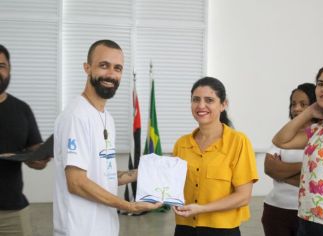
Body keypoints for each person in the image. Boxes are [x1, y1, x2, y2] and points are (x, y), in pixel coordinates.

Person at [53, 39, 161, 236]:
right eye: (104, 65)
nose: (111, 74)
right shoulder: (76, 116)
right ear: (87, 68)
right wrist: (130, 206)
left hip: (105, 228)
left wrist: (142, 172)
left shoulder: (106, 118)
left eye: (117, 68)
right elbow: (76, 182)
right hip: (79, 230)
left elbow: (103, 174)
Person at [273, 63, 323, 236]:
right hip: (306, 220)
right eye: (320, 84)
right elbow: (280, 141)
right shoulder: (318, 130)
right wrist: (308, 112)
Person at [172, 76, 259, 236]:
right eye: (196, 99)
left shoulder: (238, 142)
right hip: (184, 228)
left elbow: (243, 196)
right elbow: (170, 185)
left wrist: (202, 209)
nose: (201, 105)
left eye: (209, 100)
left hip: (222, 230)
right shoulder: (181, 144)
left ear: (223, 104)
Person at [0, 44, 50, 236]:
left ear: (9, 70)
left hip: (13, 213)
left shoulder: (22, 109)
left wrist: (40, 156)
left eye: (1, 66)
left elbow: (34, 154)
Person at [262, 83, 316, 236]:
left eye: (303, 104)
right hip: (275, 210)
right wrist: (306, 165)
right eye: (293, 104)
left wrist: (282, 173)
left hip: (310, 213)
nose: (296, 108)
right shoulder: (283, 136)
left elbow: (320, 179)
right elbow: (269, 168)